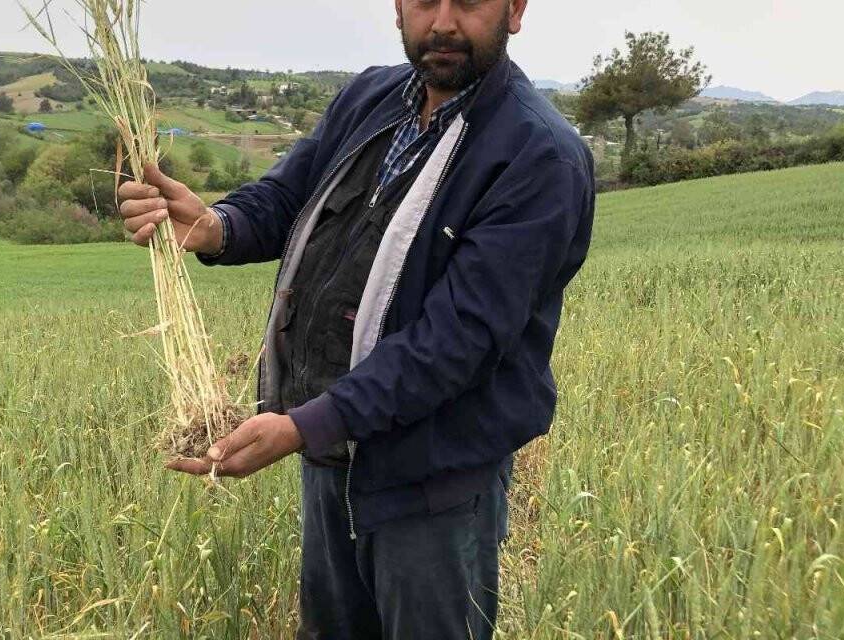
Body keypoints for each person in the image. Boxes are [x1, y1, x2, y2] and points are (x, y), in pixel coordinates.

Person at [118, 0, 594, 636]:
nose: (443, 23)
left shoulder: (539, 156)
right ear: (397, 7)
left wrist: (304, 425)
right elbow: (289, 197)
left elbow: (458, 339)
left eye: (469, 1)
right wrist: (214, 226)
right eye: (423, 0)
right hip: (332, 453)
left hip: (435, 483)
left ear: (515, 9)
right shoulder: (371, 98)